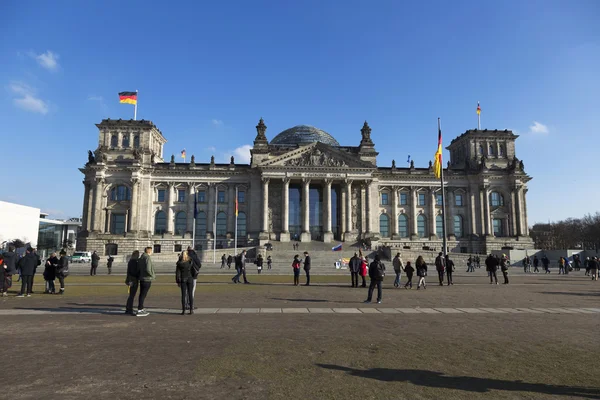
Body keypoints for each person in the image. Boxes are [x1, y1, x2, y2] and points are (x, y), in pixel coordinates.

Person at [136, 247, 155, 317]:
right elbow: (148, 269)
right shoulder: (147, 258)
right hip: (147, 278)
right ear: (149, 251)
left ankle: (141, 307)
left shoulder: (141, 258)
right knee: (143, 294)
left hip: (142, 278)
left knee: (141, 294)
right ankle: (140, 309)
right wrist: (152, 275)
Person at [176, 251, 194, 315]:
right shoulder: (190, 261)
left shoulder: (179, 263)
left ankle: (183, 310)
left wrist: (178, 281)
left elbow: (177, 273)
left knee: (183, 295)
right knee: (190, 295)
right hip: (190, 278)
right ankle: (191, 309)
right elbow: (193, 269)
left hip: (183, 279)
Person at [125, 250, 140, 315]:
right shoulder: (134, 262)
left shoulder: (131, 261)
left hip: (130, 280)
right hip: (133, 280)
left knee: (131, 295)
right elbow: (134, 272)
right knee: (132, 295)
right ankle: (129, 309)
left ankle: (128, 308)